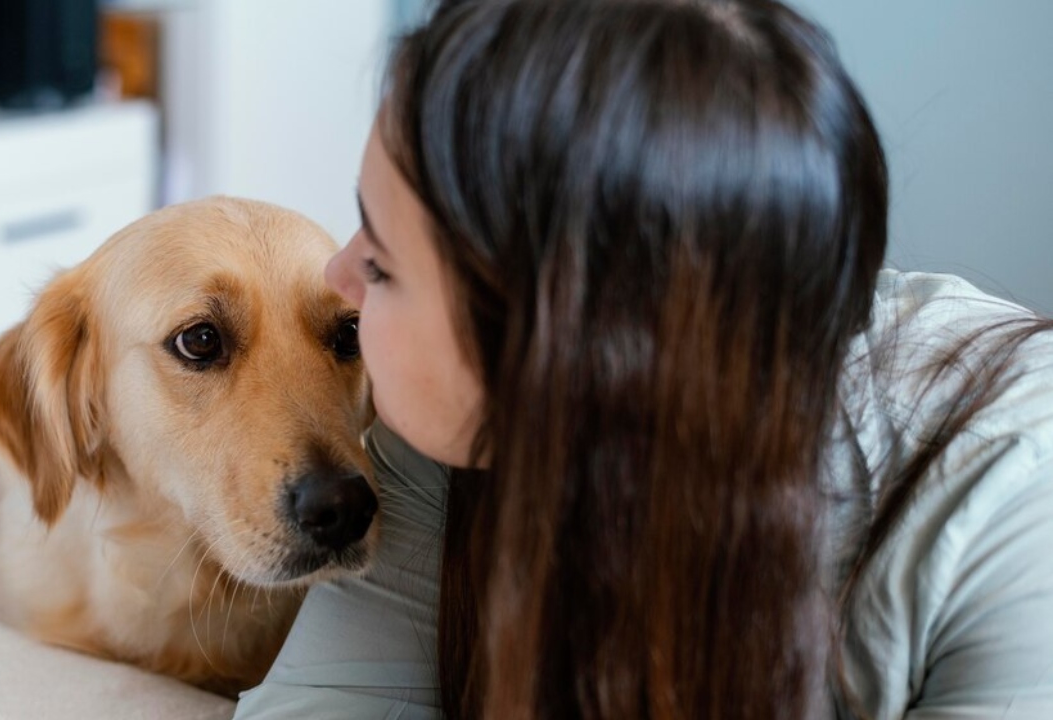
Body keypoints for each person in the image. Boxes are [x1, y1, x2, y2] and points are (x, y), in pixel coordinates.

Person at [234, 0, 1053, 717]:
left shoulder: (1013, 512)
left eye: (383, 264)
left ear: (557, 347)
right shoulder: (441, 444)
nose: (341, 280)